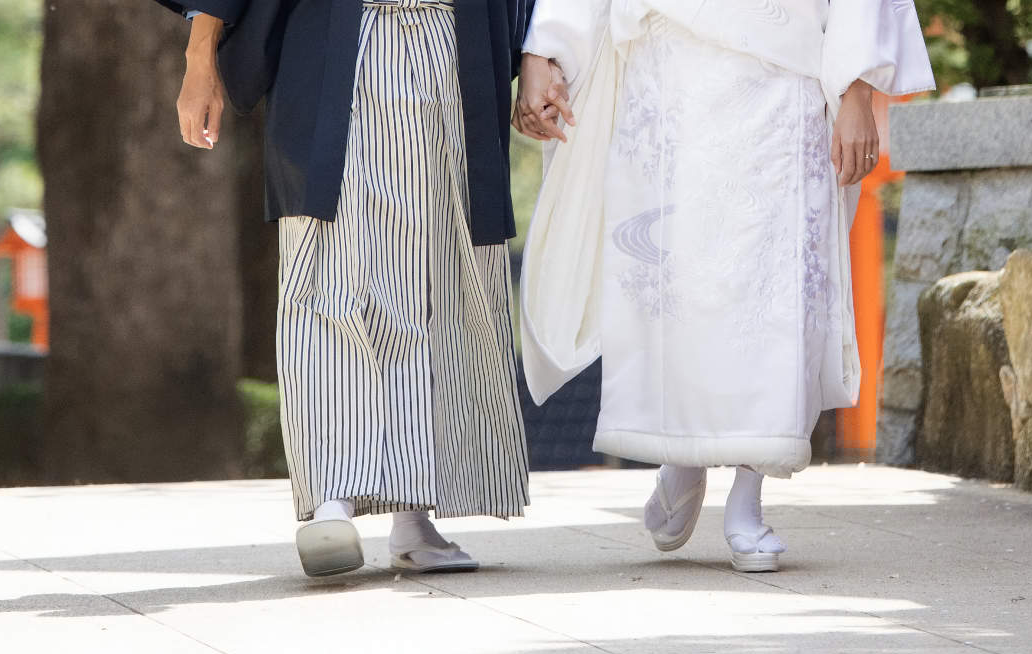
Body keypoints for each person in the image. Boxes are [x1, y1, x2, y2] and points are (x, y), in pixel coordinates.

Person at [514, 0, 934, 571]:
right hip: (668, 66)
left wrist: (858, 88)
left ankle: (747, 496)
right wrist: (546, 48)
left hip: (784, 70)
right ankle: (681, 451)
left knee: (775, 288)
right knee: (678, 283)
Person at [153, 0, 533, 576]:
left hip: (450, 47)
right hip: (339, 46)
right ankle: (331, 499)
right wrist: (199, 56)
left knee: (437, 273)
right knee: (328, 271)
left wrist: (539, 56)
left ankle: (412, 512)